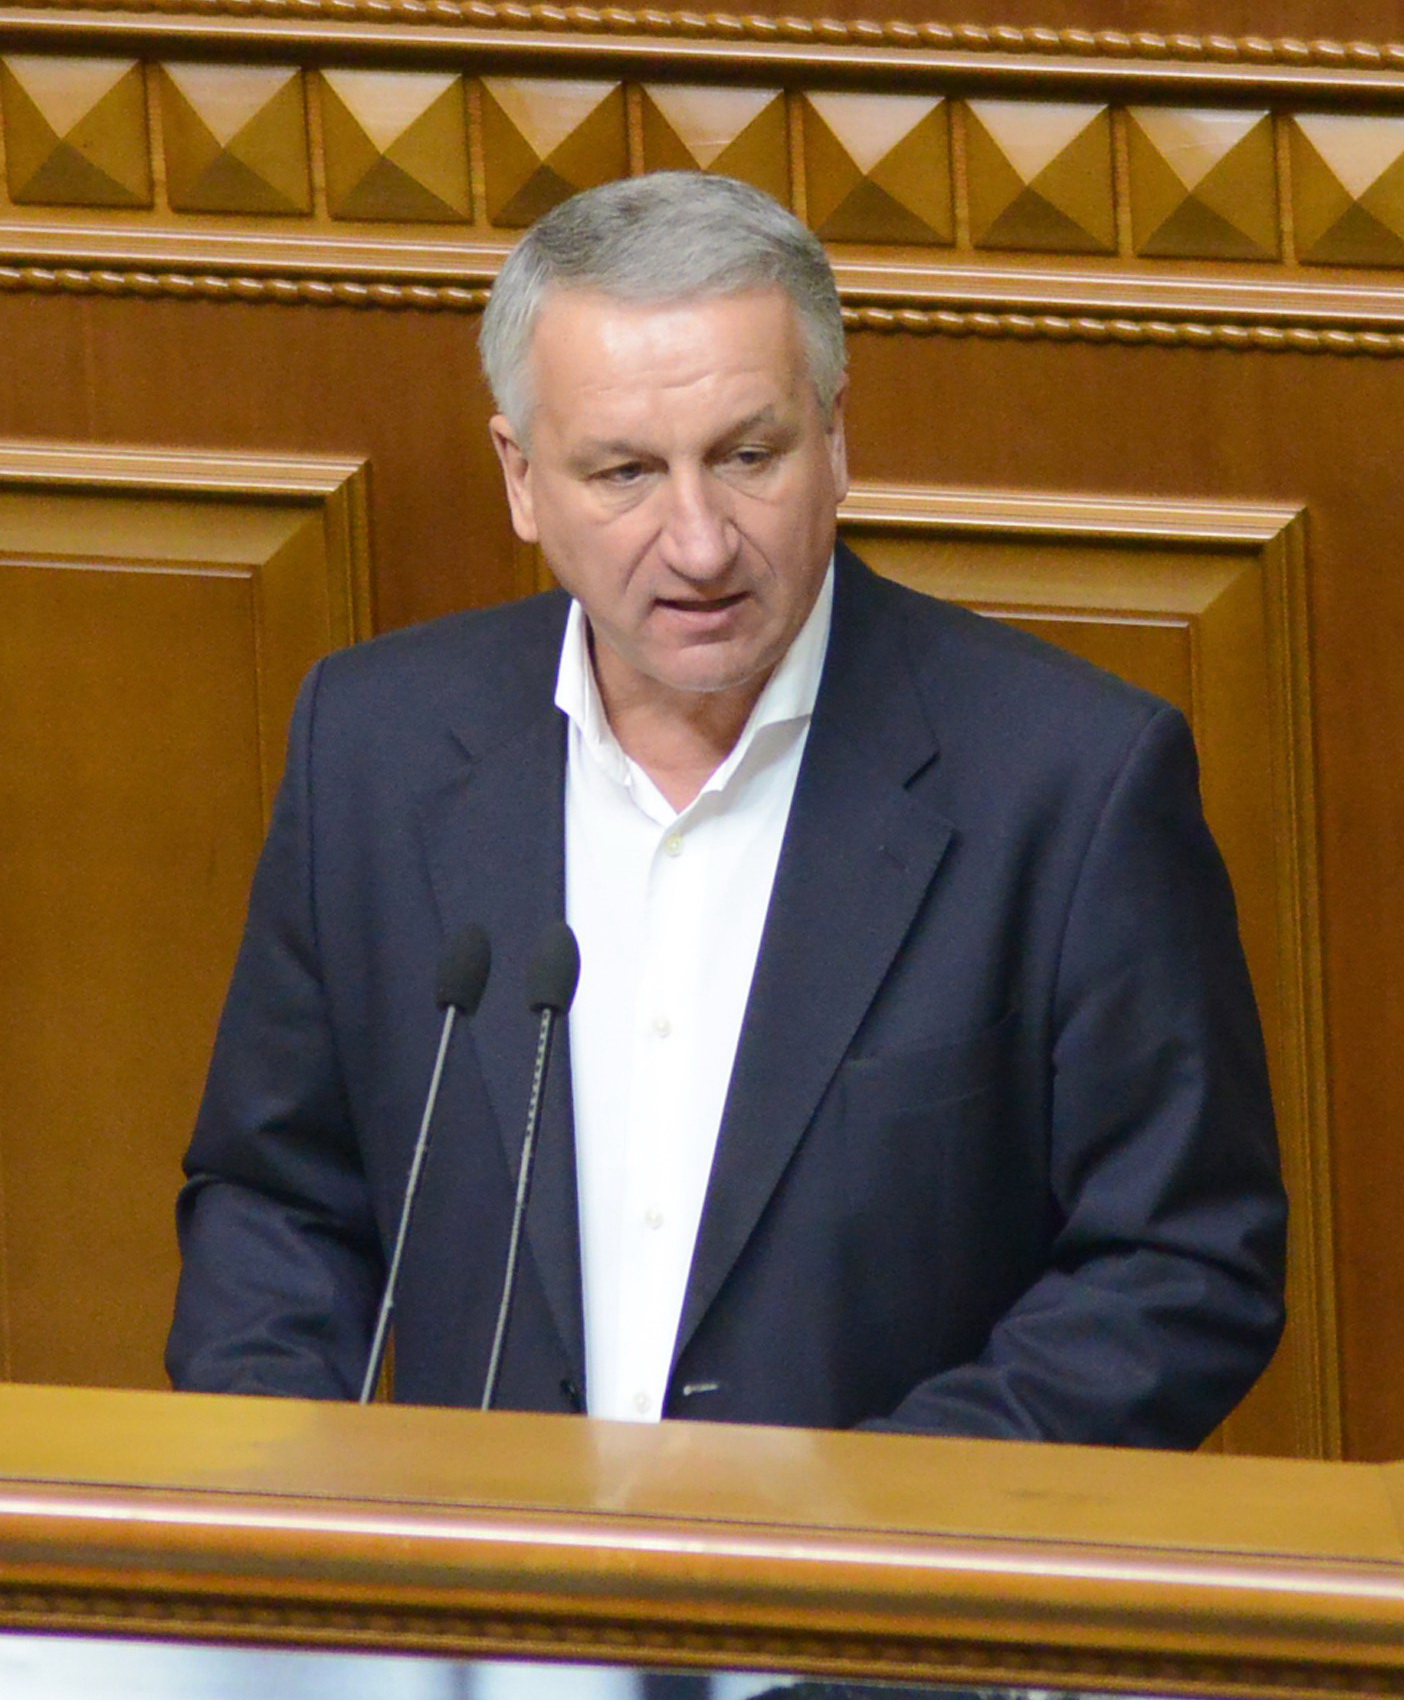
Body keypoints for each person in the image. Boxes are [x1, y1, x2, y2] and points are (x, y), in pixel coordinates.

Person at [167, 172, 1286, 1445]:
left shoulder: (1069, 781)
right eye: (626, 472)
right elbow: (276, 1204)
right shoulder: (375, 745)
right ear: (522, 478)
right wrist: (297, 1509)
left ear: (837, 438)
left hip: (882, 1563)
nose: (699, 543)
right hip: (481, 1564)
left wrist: (869, 1524)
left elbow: (1179, 1265)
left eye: (748, 456)